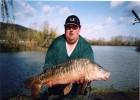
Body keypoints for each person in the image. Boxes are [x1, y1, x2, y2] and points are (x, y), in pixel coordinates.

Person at [41, 15, 94, 100]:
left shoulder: (86, 46)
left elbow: (89, 77)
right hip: (56, 91)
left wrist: (85, 81)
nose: (71, 30)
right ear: (65, 28)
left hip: (78, 93)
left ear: (79, 29)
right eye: (68, 27)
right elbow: (48, 64)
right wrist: (49, 78)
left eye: (74, 27)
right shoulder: (56, 43)